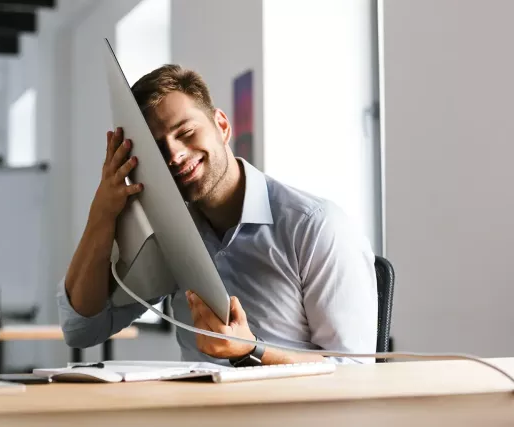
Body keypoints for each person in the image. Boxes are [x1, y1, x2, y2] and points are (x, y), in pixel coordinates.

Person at [58, 64, 377, 366]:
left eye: (185, 132)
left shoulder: (316, 227)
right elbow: (83, 329)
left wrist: (252, 351)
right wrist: (101, 215)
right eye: (157, 149)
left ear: (222, 126)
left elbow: (354, 370)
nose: (174, 154)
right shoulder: (167, 236)